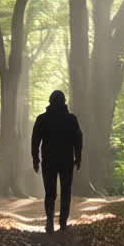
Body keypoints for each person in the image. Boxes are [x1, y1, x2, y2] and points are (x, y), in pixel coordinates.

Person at [31, 90, 82, 233]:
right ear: (64, 102)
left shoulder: (42, 119)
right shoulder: (71, 119)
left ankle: (49, 222)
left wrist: (36, 159)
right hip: (66, 161)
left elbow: (35, 141)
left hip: (48, 161)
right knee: (66, 191)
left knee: (49, 192)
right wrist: (78, 157)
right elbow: (78, 139)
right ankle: (63, 223)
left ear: (50, 101)